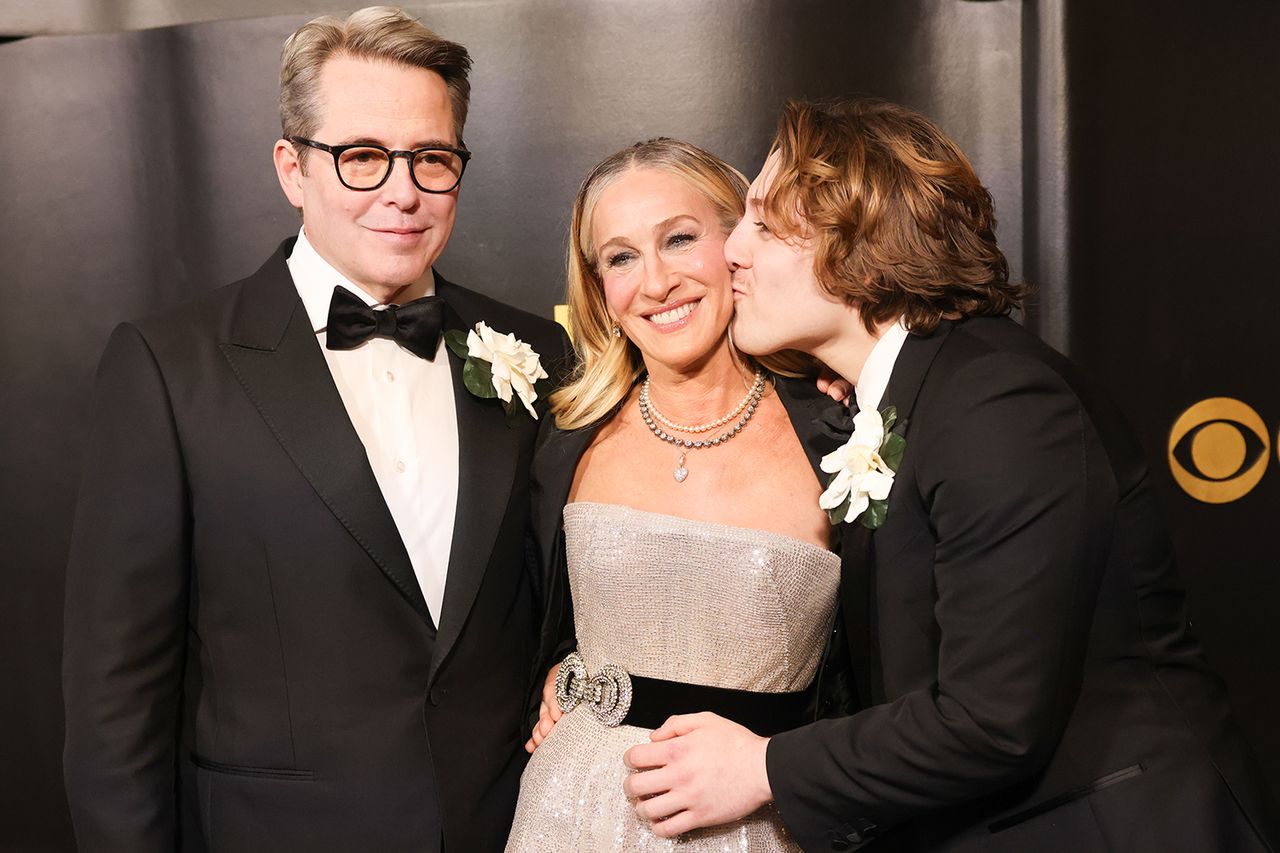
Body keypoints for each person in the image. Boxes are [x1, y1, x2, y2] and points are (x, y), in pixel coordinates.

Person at [620, 98, 1280, 852]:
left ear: (860, 248)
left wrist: (762, 766)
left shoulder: (996, 402)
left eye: (765, 226)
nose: (731, 250)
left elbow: (993, 719)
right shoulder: (911, 394)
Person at [61, 7, 569, 851]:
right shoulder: (170, 366)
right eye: (363, 156)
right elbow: (116, 699)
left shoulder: (537, 352)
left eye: (432, 158)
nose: (402, 191)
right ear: (292, 169)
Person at [504, 138, 855, 852]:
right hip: (568, 817)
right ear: (598, 284)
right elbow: (526, 621)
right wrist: (560, 672)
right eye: (621, 257)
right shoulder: (566, 436)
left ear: (739, 242)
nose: (657, 281)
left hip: (759, 828)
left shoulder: (839, 437)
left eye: (680, 239)